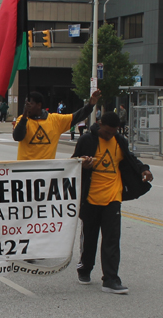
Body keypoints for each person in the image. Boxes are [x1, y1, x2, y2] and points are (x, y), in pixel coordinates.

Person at [72, 112, 153, 294]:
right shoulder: (87, 140)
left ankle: (110, 279)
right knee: (90, 237)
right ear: (100, 124)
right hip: (91, 198)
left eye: (114, 132)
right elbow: (73, 162)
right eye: (108, 132)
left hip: (113, 198)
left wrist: (144, 169)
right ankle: (84, 268)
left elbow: (130, 159)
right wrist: (82, 163)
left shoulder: (119, 140)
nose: (110, 135)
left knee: (111, 239)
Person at [13, 90, 101, 160]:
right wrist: (25, 115)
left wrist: (90, 105)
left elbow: (77, 116)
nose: (27, 106)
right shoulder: (22, 119)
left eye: (30, 104)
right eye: (26, 104)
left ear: (39, 105)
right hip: (25, 170)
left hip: (47, 171)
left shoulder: (55, 120)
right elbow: (18, 136)